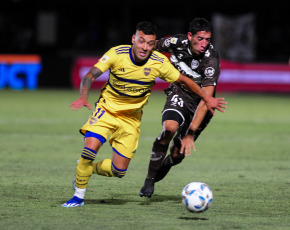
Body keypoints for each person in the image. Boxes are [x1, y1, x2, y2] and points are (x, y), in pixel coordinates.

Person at [62, 21, 226, 207]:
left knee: (119, 170)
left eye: (149, 43)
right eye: (141, 41)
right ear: (134, 39)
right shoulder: (117, 53)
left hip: (131, 119)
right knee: (90, 150)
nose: (145, 47)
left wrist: (206, 98)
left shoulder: (161, 62)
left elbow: (184, 80)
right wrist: (84, 96)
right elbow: (89, 75)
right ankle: (78, 197)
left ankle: (85, 169)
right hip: (106, 111)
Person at [139, 18, 221, 198]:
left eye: (208, 39)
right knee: (169, 128)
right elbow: (151, 46)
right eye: (200, 38)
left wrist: (191, 132)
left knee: (177, 154)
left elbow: (205, 99)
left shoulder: (211, 60)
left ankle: (167, 163)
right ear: (190, 36)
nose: (204, 44)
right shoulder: (176, 42)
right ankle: (150, 179)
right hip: (179, 93)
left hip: (200, 105)